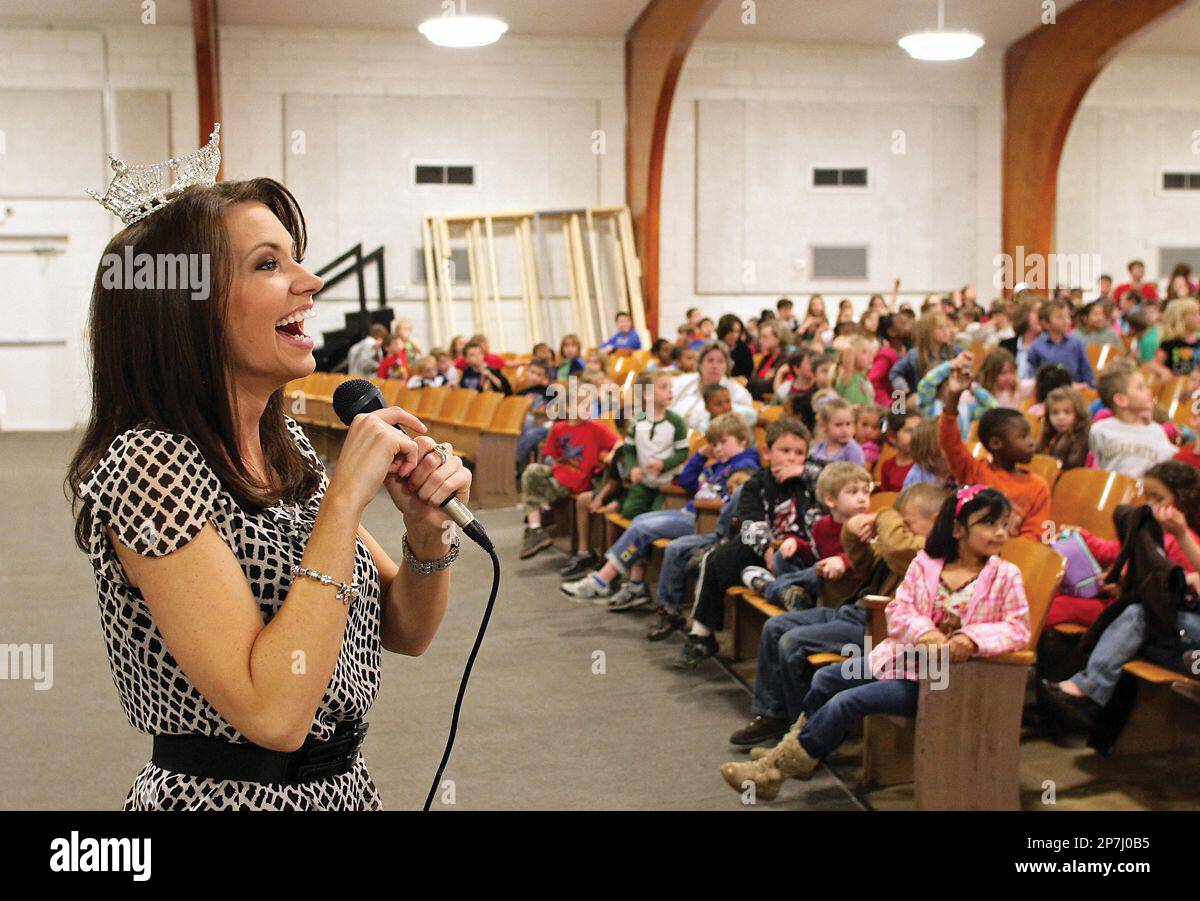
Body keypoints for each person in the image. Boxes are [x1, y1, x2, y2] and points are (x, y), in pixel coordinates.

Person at [68, 167, 471, 810]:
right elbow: (274, 714)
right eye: (267, 264)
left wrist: (426, 532)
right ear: (185, 308)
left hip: (340, 791)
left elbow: (405, 628)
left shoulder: (284, 445)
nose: (310, 283)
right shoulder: (150, 467)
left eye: (297, 259)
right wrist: (342, 501)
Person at [720, 486, 1030, 801]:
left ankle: (775, 771)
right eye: (989, 524)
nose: (1000, 533)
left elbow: (1018, 628)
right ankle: (797, 752)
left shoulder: (1006, 575)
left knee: (847, 701)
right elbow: (899, 609)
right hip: (904, 661)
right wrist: (924, 631)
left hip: (946, 679)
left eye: (1003, 525)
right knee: (826, 678)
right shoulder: (927, 564)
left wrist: (971, 639)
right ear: (958, 528)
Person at [728, 482, 945, 746]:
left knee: (792, 642)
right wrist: (852, 531)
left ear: (935, 522)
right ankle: (773, 713)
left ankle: (803, 736)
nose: (897, 527)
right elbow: (862, 561)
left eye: (905, 522)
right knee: (776, 627)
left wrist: (885, 516)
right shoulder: (899, 542)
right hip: (849, 610)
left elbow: (900, 551)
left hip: (873, 627)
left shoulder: (929, 550)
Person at [561, 413, 759, 605]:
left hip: (706, 520)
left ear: (743, 441)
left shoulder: (745, 466)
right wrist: (700, 455)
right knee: (640, 520)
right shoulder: (719, 465)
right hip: (692, 513)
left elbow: (732, 506)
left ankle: (601, 581)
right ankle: (635, 584)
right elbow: (686, 481)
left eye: (723, 442)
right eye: (714, 444)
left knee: (643, 529)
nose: (717, 449)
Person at [677, 419, 823, 668]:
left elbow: (838, 477)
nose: (791, 459)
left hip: (803, 549)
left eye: (799, 453)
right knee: (719, 557)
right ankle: (702, 634)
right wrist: (766, 548)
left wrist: (805, 472)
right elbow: (751, 520)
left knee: (773, 565)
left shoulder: (812, 478)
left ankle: (778, 587)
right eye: (784, 451)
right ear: (767, 452)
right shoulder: (756, 483)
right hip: (767, 548)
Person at [741, 461, 872, 611]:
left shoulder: (868, 526)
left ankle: (770, 587)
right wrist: (796, 544)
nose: (862, 498)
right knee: (782, 556)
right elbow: (814, 554)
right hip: (822, 580)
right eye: (853, 492)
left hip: (847, 588)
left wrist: (842, 561)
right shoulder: (821, 526)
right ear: (830, 500)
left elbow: (870, 558)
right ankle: (794, 595)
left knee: (817, 570)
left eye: (866, 491)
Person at [941, 366, 1050, 541]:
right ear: (996, 443)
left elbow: (1035, 535)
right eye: (1023, 436)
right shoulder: (975, 471)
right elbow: (950, 441)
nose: (1031, 442)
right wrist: (953, 397)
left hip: (1010, 563)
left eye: (1030, 435)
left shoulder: (1038, 487)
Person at [518, 383, 618, 559]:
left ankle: (541, 516)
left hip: (579, 479)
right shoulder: (559, 428)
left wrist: (611, 455)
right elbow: (554, 458)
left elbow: (618, 444)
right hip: (561, 474)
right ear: (568, 407)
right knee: (532, 471)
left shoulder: (597, 428)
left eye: (589, 404)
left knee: (536, 489)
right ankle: (536, 528)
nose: (586, 408)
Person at [1087, 366, 1177, 478]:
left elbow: (1170, 458)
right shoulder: (1100, 430)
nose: (1149, 392)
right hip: (1113, 490)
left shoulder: (1156, 431)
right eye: (1140, 388)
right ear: (1121, 400)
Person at [669, 341, 756, 431]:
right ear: (700, 364)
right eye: (710, 360)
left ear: (727, 366)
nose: (715, 366)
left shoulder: (737, 392)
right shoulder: (684, 381)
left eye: (720, 361)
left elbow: (744, 425)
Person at [1024, 297, 1095, 388]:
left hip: (1074, 392)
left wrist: (1088, 386)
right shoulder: (1036, 347)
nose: (1066, 320)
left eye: (1067, 316)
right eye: (1060, 317)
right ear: (1045, 323)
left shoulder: (1076, 344)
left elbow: (1087, 374)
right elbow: (1033, 378)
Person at [1036, 386, 1090, 471]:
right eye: (1055, 413)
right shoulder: (1049, 434)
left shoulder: (1082, 437)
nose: (1061, 417)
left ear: (1078, 413)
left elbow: (1072, 468)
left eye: (1067, 412)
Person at [809, 397, 865, 464]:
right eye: (838, 425)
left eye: (848, 424)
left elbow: (858, 473)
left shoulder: (853, 450)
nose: (844, 430)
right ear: (823, 426)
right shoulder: (819, 448)